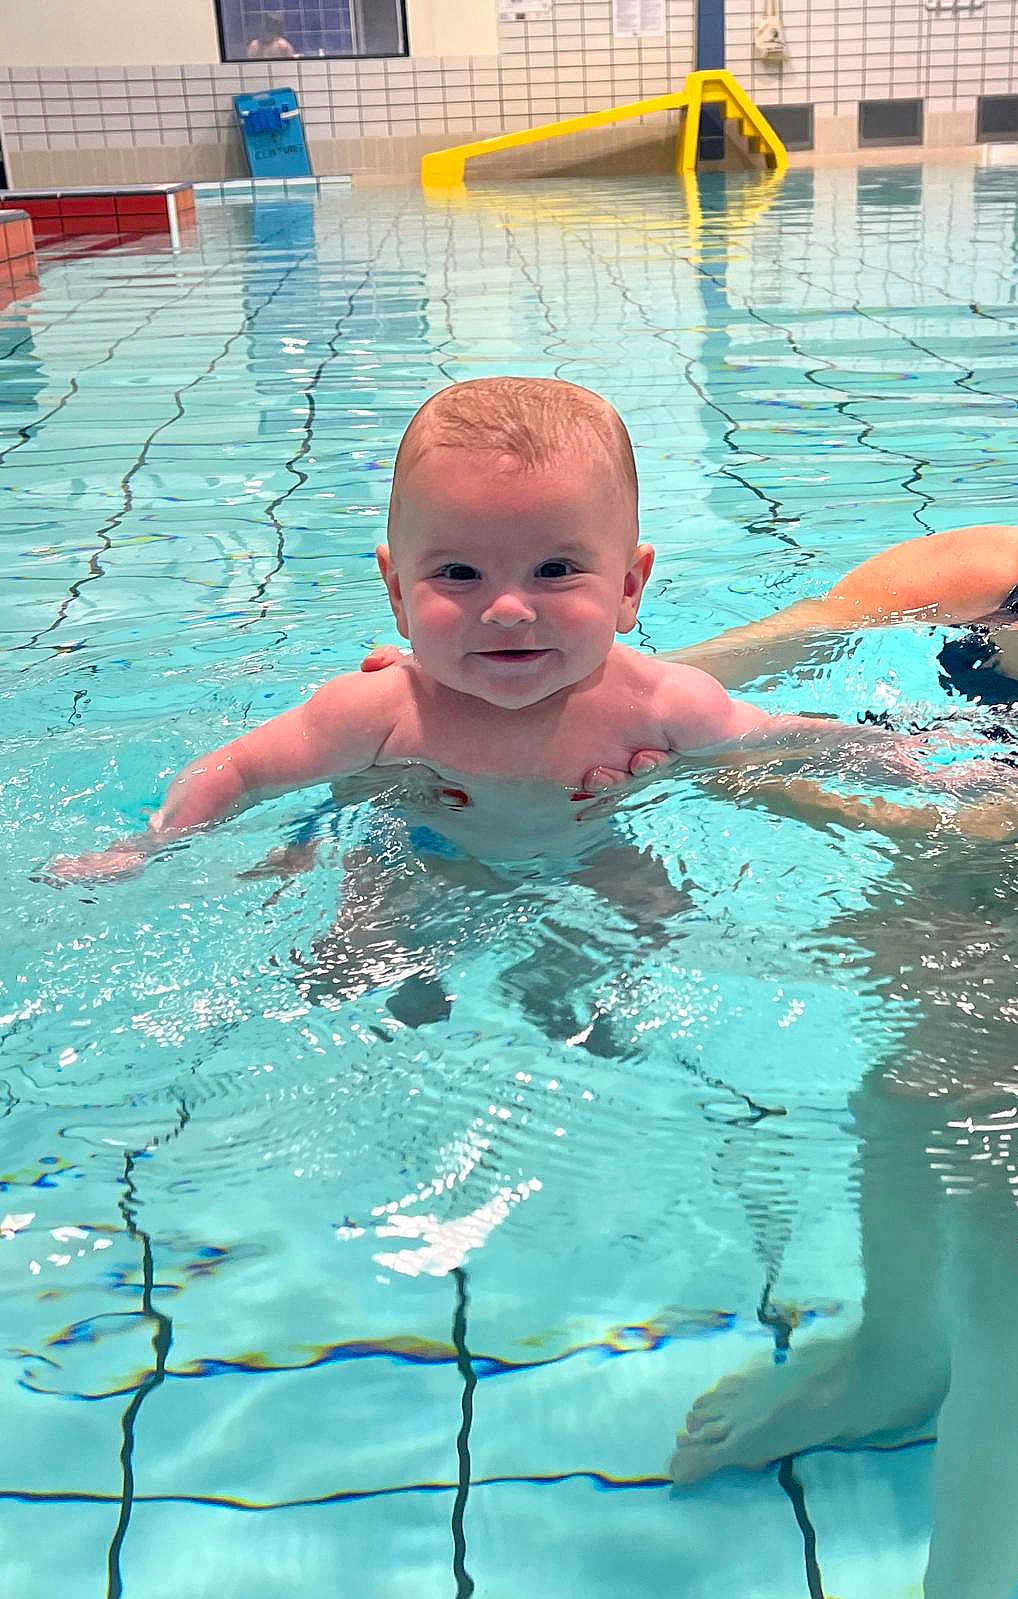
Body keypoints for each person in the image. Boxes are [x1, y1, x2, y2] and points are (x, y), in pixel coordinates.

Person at [52, 377, 1011, 893]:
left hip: (595, 852)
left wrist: (915, 764)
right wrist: (154, 846)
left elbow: (778, 734)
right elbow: (243, 769)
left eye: (557, 571)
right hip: (422, 853)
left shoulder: (658, 702)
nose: (508, 609)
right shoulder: (378, 710)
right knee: (357, 958)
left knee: (651, 926)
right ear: (394, 590)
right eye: (457, 575)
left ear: (631, 586)